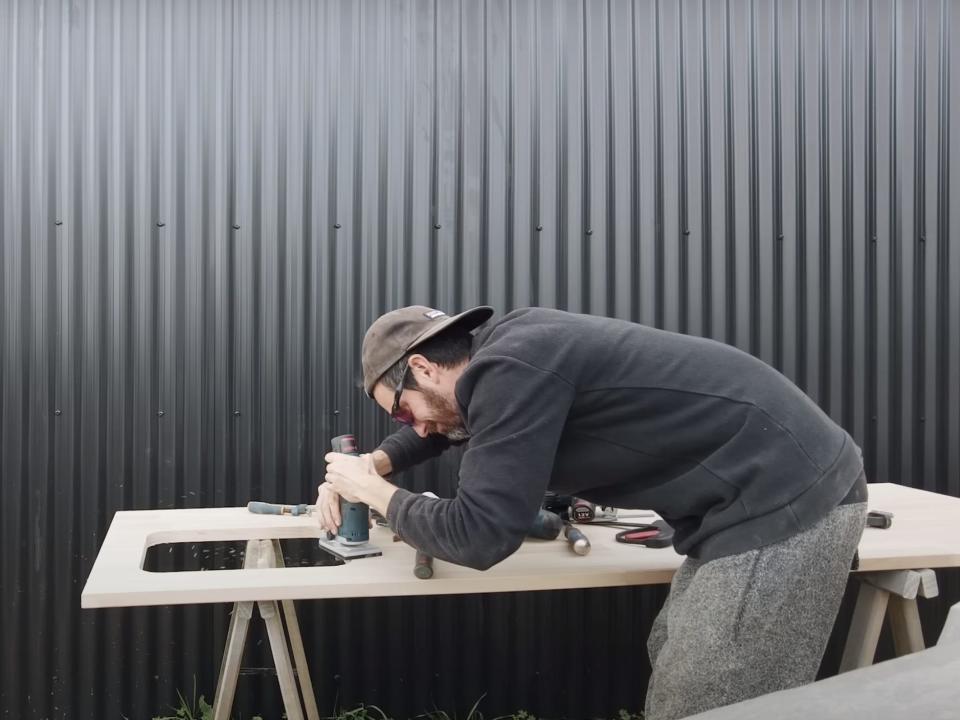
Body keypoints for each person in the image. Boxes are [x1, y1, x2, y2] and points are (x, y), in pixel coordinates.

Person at [319, 305, 867, 720]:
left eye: (402, 409)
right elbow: (443, 428)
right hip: (751, 500)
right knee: (675, 654)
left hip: (785, 500)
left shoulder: (510, 369)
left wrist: (374, 492)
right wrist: (373, 464)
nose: (412, 426)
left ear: (422, 366)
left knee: (708, 695)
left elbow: (480, 536)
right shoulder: (511, 353)